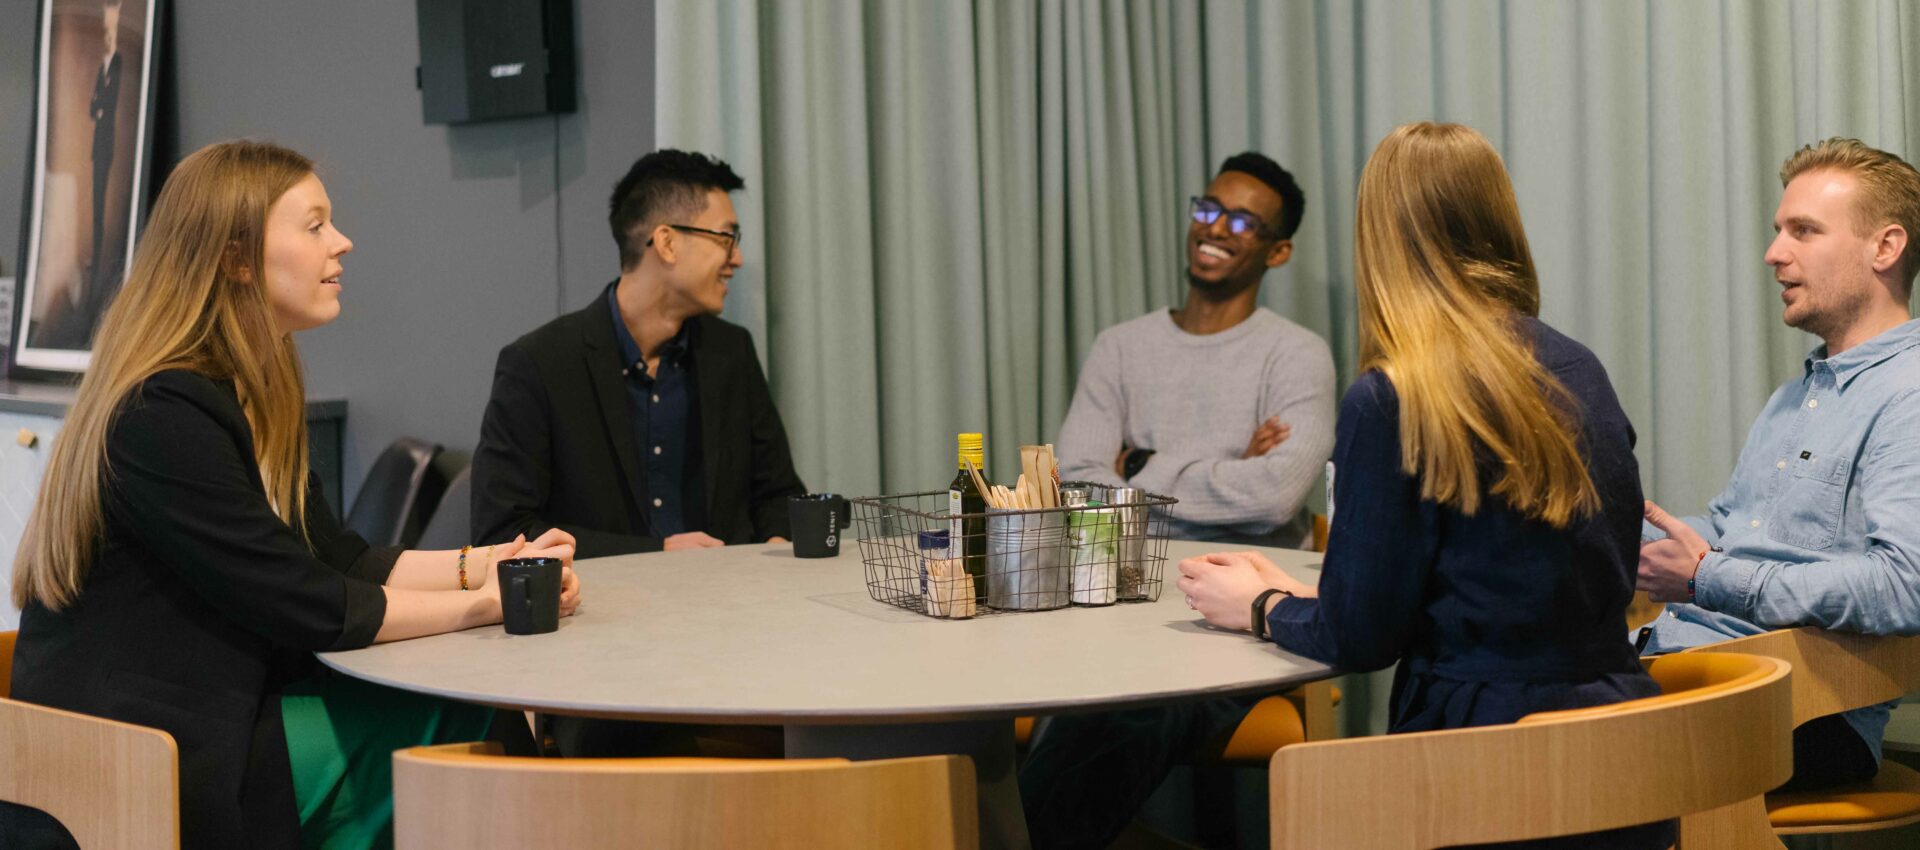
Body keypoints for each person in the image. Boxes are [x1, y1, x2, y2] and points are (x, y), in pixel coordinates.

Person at [1027, 123, 1668, 850]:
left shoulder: (1393, 397)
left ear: (1378, 238)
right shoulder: (1579, 368)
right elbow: (1501, 580)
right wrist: (1304, 592)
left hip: (1483, 772)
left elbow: (1362, 636)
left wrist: (1262, 606)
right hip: (1622, 756)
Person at [6, 141, 582, 849]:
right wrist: (484, 605)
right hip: (140, 753)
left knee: (470, 711)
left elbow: (336, 557)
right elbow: (303, 599)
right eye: (314, 226)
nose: (342, 242)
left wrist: (488, 564)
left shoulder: (248, 387)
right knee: (465, 720)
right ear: (237, 259)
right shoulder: (162, 412)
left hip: (216, 710)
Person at [1638, 137, 1920, 791]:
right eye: (1778, 230)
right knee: (1497, 694)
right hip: (1704, 669)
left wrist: (1707, 577)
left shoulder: (1909, 395)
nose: (1774, 253)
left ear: (1885, 247)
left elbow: (1905, 585)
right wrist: (1600, 537)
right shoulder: (1793, 399)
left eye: (1804, 231)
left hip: (1806, 707)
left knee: (1536, 760)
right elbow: (1729, 529)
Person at [471, 148, 806, 558]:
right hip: (596, 596)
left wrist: (775, 547)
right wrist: (657, 553)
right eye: (725, 237)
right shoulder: (539, 365)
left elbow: (779, 495)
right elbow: (503, 531)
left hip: (731, 592)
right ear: (666, 242)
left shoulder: (730, 352)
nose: (735, 258)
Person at [1054, 152, 1335, 548]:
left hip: (1255, 576)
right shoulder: (1118, 347)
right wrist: (1233, 475)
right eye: (1208, 209)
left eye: (1243, 222)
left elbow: (1275, 498)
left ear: (1278, 252)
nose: (1216, 228)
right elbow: (1078, 482)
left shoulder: (1298, 353)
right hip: (1135, 573)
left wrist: (1137, 465)